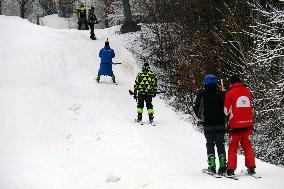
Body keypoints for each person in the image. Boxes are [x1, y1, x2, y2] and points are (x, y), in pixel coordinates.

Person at [194, 74, 227, 175]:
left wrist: (201, 118)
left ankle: (212, 166)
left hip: (207, 124)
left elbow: (196, 109)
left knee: (210, 144)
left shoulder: (201, 94)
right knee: (220, 144)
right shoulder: (221, 94)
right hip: (220, 123)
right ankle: (222, 167)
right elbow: (226, 108)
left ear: (205, 83)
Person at [224, 75, 256, 176]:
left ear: (231, 83)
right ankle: (251, 168)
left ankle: (231, 170)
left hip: (235, 126)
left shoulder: (230, 93)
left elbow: (226, 110)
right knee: (247, 145)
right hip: (248, 124)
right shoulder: (247, 91)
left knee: (233, 147)